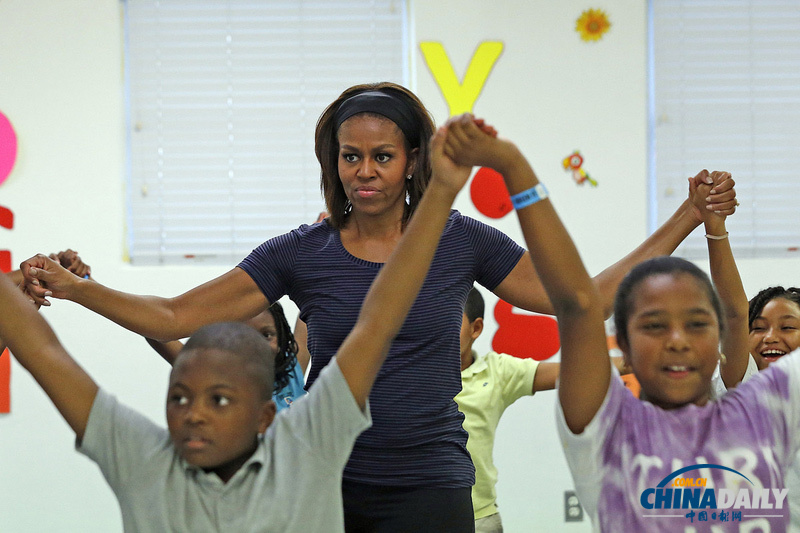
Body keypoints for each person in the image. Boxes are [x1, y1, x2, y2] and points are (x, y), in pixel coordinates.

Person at [19, 83, 736, 529]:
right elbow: (178, 316)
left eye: (383, 157)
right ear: (332, 162)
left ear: (415, 160)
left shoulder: (462, 239)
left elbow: (579, 299)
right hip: (325, 484)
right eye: (350, 156)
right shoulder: (300, 252)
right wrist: (80, 290)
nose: (364, 172)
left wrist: (687, 218)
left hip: (432, 485)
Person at [0, 120, 472, 532]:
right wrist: (46, 283)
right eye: (178, 398)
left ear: (266, 416)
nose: (193, 415)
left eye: (220, 400)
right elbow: (41, 350)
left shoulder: (307, 449)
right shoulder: (144, 461)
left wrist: (439, 194)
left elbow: (379, 320)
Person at [442, 114, 798, 531]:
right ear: (623, 348)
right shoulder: (610, 431)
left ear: (720, 339)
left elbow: (737, 312)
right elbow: (579, 306)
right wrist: (514, 167)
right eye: (654, 326)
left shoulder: (763, 407)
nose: (677, 340)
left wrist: (711, 225)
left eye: (697, 324)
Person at [456, 287, 628, 532]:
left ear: (476, 328)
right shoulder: (407, 370)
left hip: (479, 518)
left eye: (450, 321)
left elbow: (577, 370)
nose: (437, 329)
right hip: (414, 511)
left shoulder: (496, 372)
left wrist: (641, 360)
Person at [146, 301, 306, 412]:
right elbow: (152, 326)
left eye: (266, 335)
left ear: (282, 338)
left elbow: (312, 304)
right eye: (242, 336)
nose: (255, 345)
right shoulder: (208, 374)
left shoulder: (292, 369)